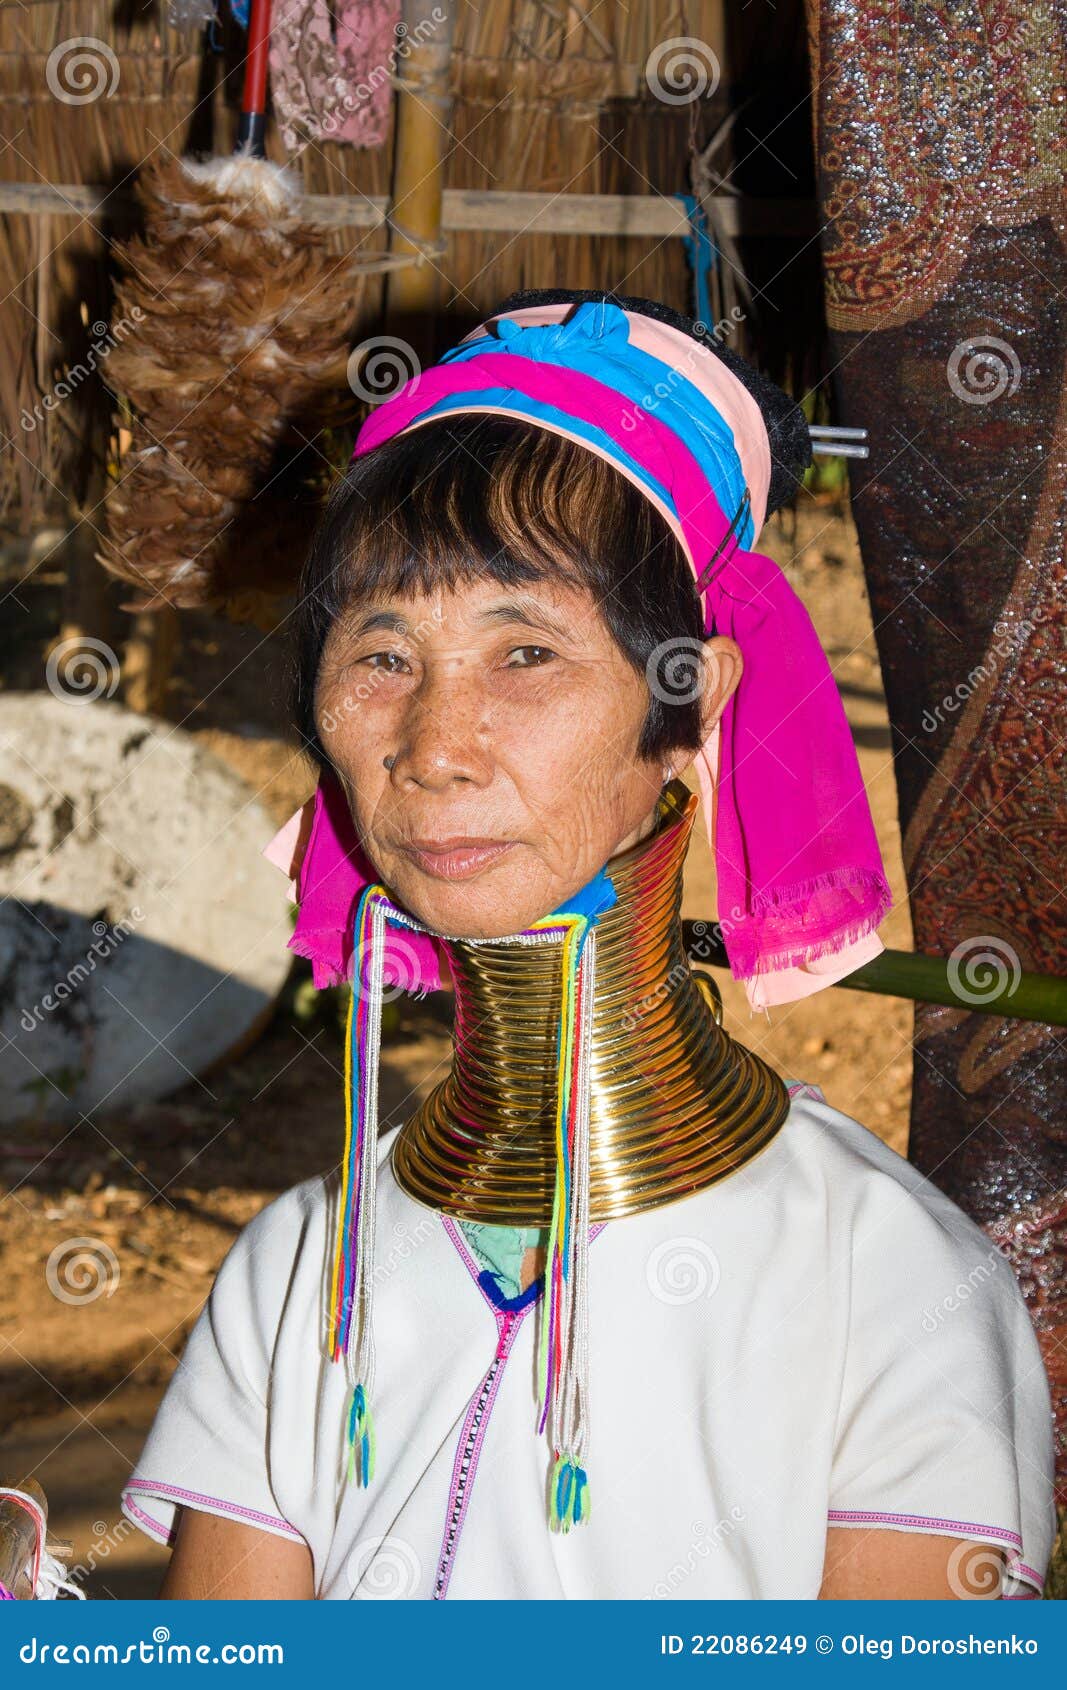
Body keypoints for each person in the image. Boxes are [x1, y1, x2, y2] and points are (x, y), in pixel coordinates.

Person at [119, 290, 1056, 1600]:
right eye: (381, 651)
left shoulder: (889, 1287)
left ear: (691, 703)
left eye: (526, 650)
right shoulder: (296, 1278)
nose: (434, 747)